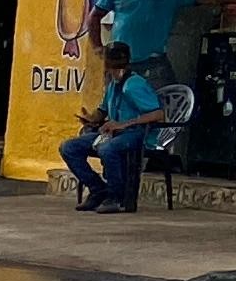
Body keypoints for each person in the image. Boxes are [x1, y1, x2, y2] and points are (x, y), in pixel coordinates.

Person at [62, 55, 174, 210]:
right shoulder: (112, 85)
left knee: (107, 149)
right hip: (113, 133)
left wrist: (124, 124)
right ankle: (98, 189)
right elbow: (102, 111)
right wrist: (91, 119)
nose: (113, 72)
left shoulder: (134, 85)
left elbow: (158, 114)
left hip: (136, 133)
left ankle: (115, 196)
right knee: (69, 148)